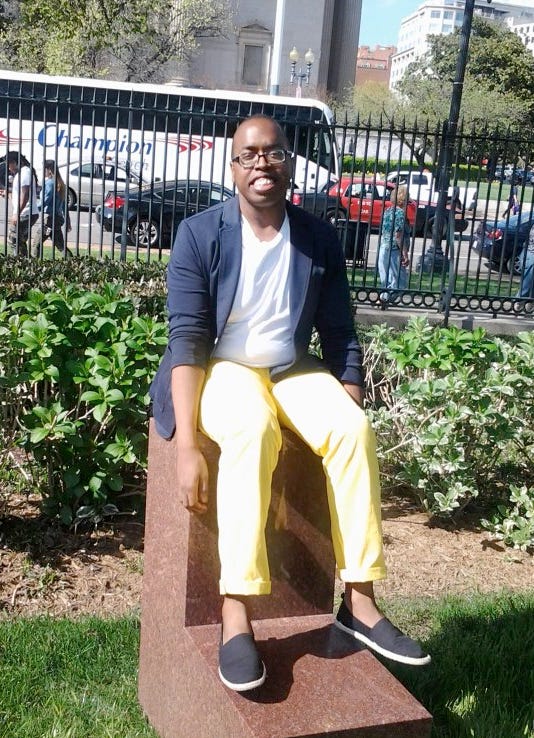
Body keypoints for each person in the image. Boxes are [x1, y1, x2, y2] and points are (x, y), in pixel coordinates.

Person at [149, 114, 430, 693]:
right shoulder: (201, 235)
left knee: (353, 431)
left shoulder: (316, 235)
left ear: (289, 163)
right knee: (252, 429)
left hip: (290, 368)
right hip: (222, 366)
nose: (261, 164)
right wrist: (190, 449)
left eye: (272, 153)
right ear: (232, 168)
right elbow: (187, 339)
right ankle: (236, 612)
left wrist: (346, 402)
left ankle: (359, 602)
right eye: (248, 155)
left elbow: (340, 332)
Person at [0, 151, 39, 256]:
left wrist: (16, 214)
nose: (8, 168)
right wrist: (8, 193)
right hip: (27, 212)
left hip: (25, 213)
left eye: (9, 164)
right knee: (20, 241)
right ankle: (26, 264)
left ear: (15, 162)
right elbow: (19, 194)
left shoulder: (25, 172)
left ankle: (19, 263)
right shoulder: (21, 173)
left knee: (13, 240)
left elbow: (25, 195)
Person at [377, 185, 410, 307]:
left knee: (386, 279)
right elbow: (398, 235)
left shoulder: (388, 211)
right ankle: (384, 301)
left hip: (384, 247)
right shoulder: (400, 213)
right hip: (394, 249)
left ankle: (383, 300)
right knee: (399, 282)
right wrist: (405, 254)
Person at [34, 160, 72, 258]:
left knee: (36, 245)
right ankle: (73, 263)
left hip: (49, 219)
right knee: (60, 246)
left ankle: (33, 265)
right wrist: (67, 220)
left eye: (44, 169)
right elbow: (64, 206)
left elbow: (45, 200)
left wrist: (32, 210)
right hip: (57, 218)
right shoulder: (60, 184)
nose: (43, 171)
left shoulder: (50, 183)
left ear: (49, 170)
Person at [516, 224, 534, 309]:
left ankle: (529, 303)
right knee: (528, 280)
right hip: (531, 253)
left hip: (529, 252)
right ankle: (519, 301)